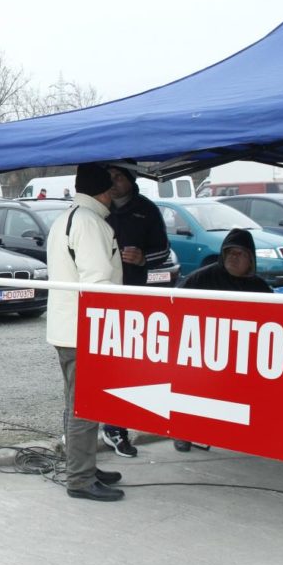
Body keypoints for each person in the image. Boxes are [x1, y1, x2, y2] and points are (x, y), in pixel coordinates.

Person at [46, 164, 125, 501]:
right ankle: (80, 478)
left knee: (76, 403)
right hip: (84, 332)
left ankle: (82, 465)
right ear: (105, 191)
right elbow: (98, 284)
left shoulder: (65, 218)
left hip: (67, 327)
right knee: (85, 407)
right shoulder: (91, 223)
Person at [173, 228, 272, 452]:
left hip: (241, 352)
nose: (233, 258)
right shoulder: (201, 277)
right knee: (192, 388)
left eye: (240, 254)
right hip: (203, 348)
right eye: (230, 252)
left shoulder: (259, 287)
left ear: (251, 259)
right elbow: (175, 303)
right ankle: (184, 432)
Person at [99, 161, 171, 457]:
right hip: (99, 298)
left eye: (119, 177)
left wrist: (143, 258)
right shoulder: (98, 209)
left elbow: (164, 250)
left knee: (125, 366)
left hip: (131, 297)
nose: (114, 182)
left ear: (131, 179)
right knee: (98, 366)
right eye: (110, 177)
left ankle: (117, 428)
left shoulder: (147, 210)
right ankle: (85, 426)